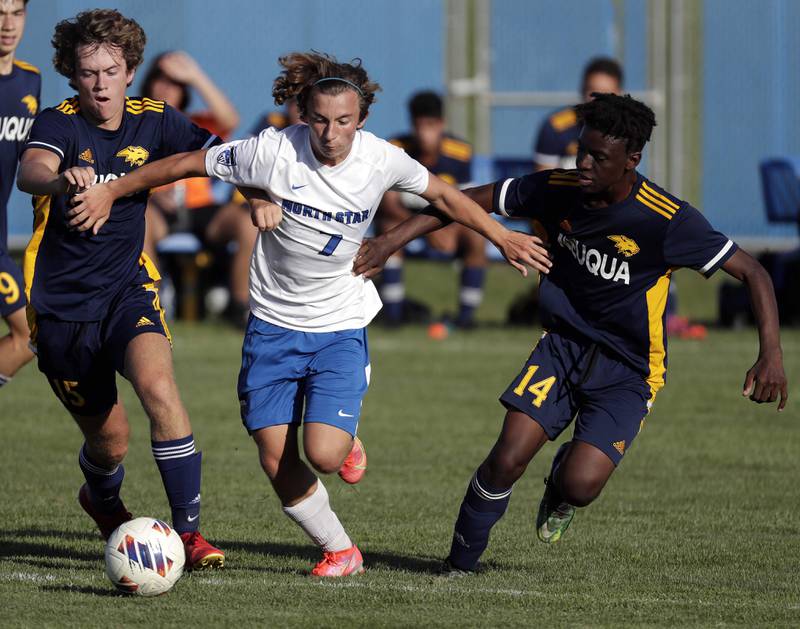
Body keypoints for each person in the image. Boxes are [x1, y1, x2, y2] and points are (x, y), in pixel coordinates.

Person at [69, 51, 551, 577]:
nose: (331, 133)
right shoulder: (273, 150)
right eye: (320, 120)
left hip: (339, 322)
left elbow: (445, 197)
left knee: (323, 454)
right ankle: (342, 551)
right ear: (304, 116)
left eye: (343, 121)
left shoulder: (382, 158)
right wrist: (112, 190)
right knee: (275, 457)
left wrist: (502, 235)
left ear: (361, 120)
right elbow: (185, 164)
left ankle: (342, 434)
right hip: (272, 324)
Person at [354, 93, 788, 574]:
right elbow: (459, 202)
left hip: (629, 371)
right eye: (581, 150)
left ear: (631, 161)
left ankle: (560, 487)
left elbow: (754, 272)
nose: (582, 163)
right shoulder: (555, 187)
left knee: (582, 485)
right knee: (507, 457)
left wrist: (771, 354)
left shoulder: (665, 219)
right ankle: (458, 565)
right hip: (561, 350)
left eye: (598, 157)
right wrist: (391, 240)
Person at [16, 9, 224, 569]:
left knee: (159, 387)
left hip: (127, 289)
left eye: (111, 70)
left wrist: (259, 194)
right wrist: (62, 179)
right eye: (88, 72)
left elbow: (216, 153)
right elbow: (30, 170)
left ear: (131, 71)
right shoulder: (57, 124)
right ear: (72, 75)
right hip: (62, 308)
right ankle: (101, 496)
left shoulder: (155, 118)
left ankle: (189, 535)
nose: (101, 83)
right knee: (111, 444)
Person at [139, 51, 242, 317]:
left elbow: (230, 120)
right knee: (140, 220)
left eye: (175, 82)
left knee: (248, 223)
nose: (166, 88)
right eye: (160, 80)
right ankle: (150, 303)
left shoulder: (196, 123)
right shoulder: (136, 125)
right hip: (156, 208)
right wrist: (152, 195)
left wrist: (195, 76)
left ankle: (241, 307)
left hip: (199, 207)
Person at [379, 91, 486, 328]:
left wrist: (446, 228)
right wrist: (427, 229)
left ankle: (466, 319)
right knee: (388, 228)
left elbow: (467, 201)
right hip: (406, 224)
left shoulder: (460, 152)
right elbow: (389, 204)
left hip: (447, 225)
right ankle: (393, 317)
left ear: (442, 124)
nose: (424, 133)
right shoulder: (396, 149)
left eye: (431, 125)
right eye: (419, 126)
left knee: (476, 238)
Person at [0, 0, 37, 389]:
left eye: (16, 12)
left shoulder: (30, 82)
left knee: (29, 334)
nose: (7, 23)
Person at [533, 57, 623, 172]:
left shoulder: (626, 131)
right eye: (593, 92)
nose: (599, 100)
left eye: (606, 94)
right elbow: (543, 180)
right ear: (582, 89)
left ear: (619, 95)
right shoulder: (556, 128)